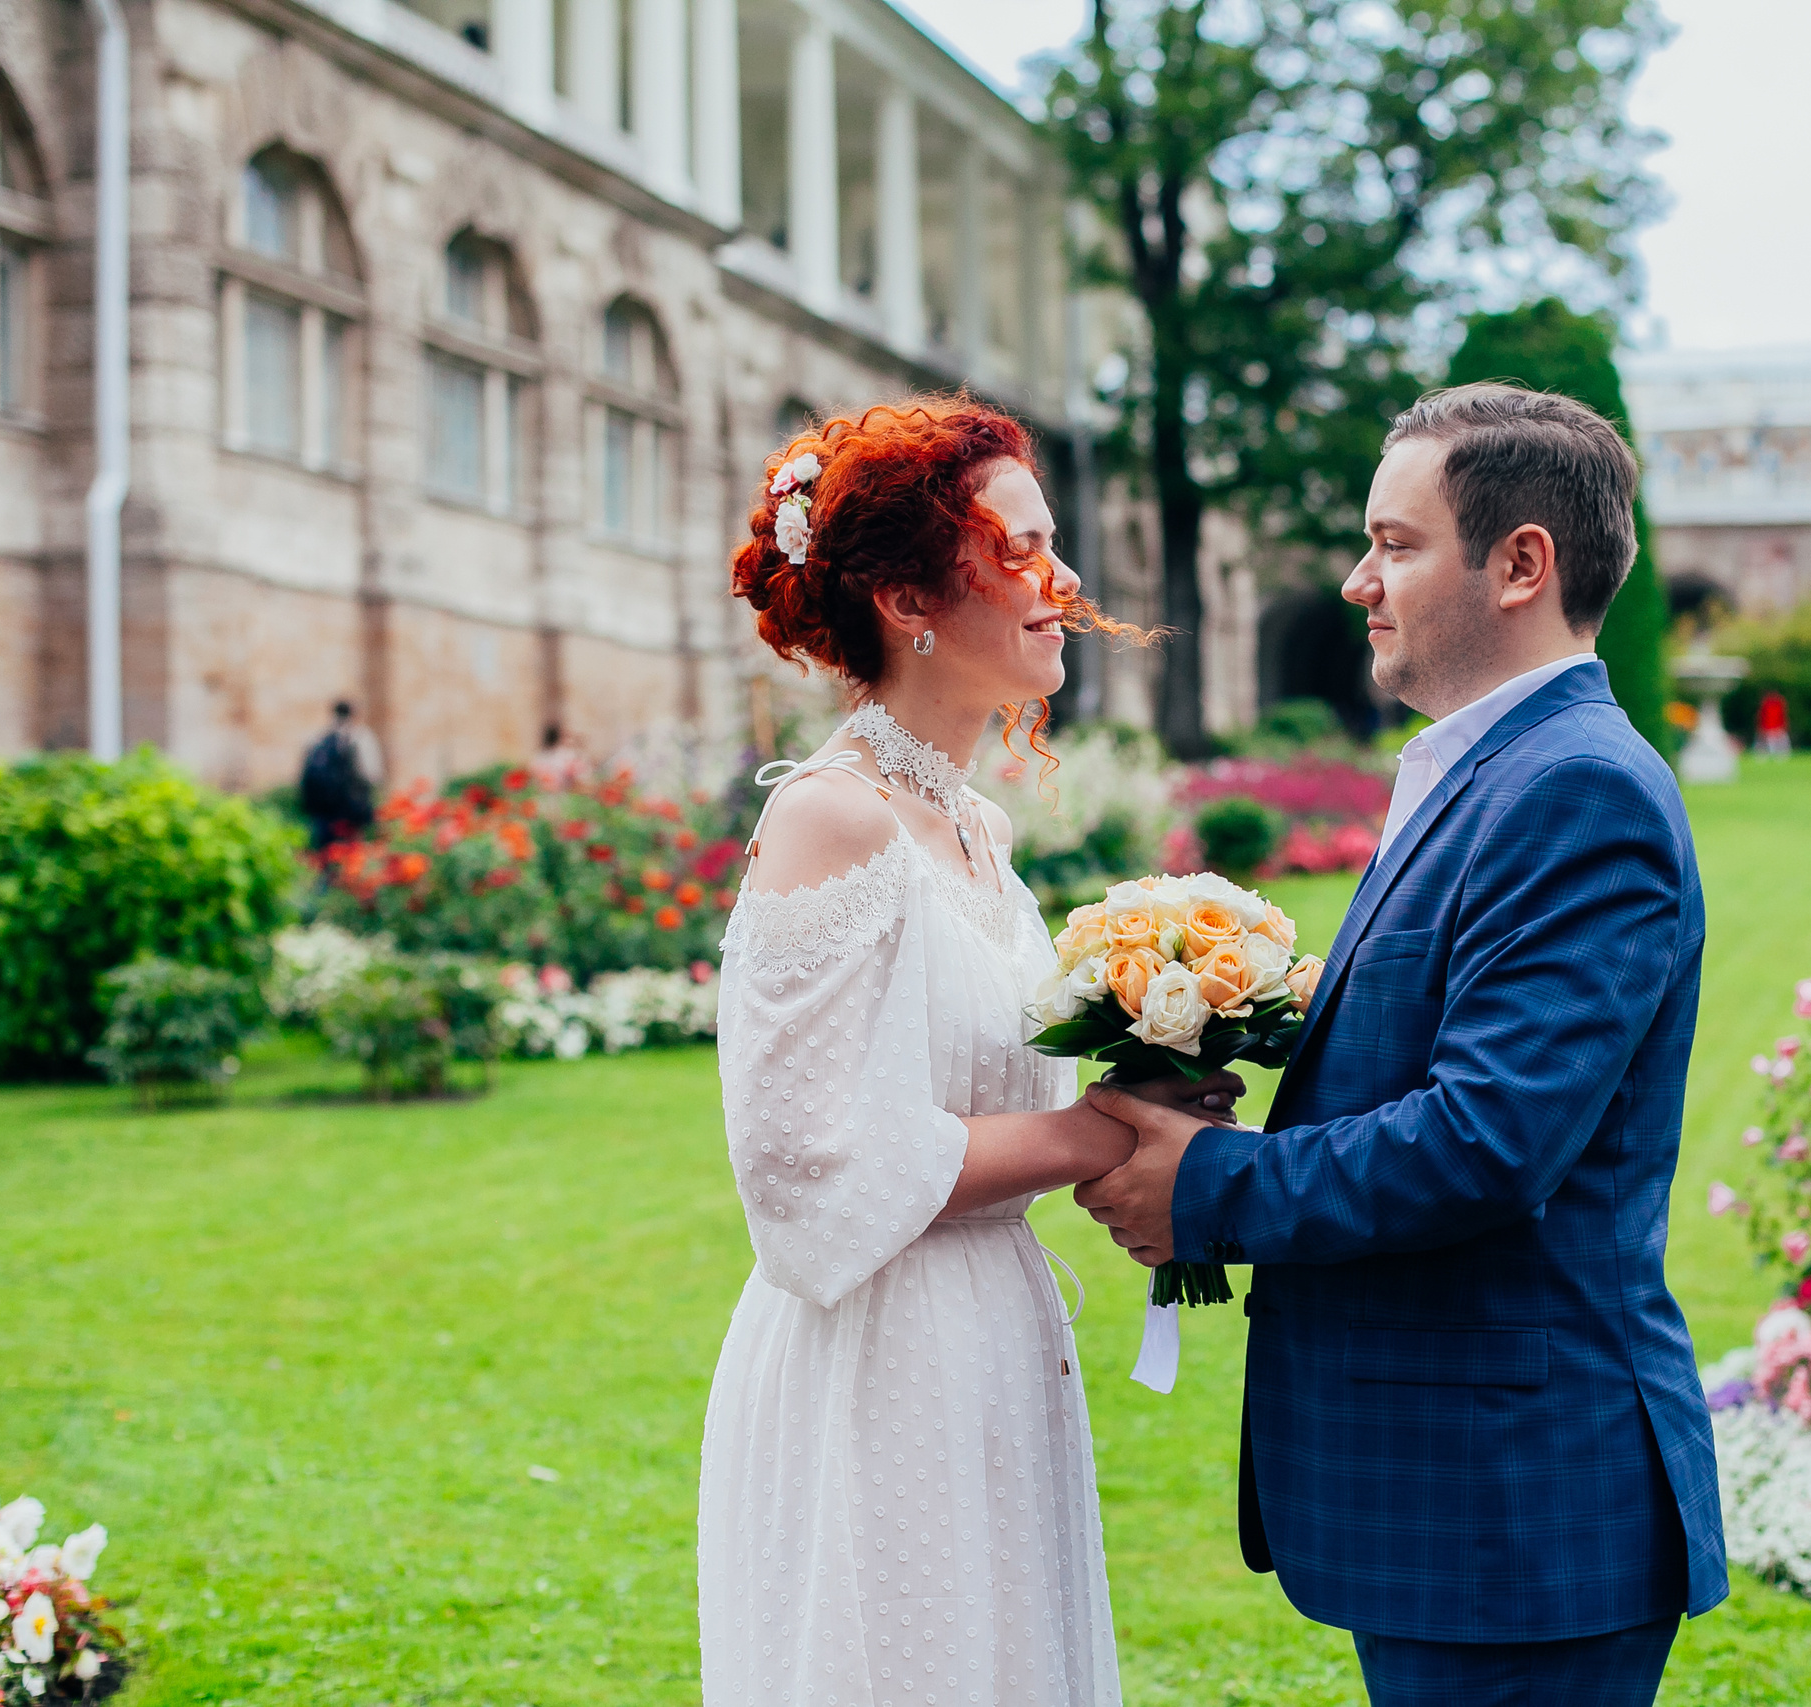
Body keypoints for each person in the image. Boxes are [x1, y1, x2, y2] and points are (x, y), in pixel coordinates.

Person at [1078, 383, 1729, 1707]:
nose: (1358, 579)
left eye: (1397, 541)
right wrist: (1221, 1021)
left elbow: (1487, 1141)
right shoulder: (1493, 764)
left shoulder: (1578, 788)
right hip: (1471, 1496)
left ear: (1520, 564)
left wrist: (1202, 1184)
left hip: (1519, 1503)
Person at [696, 398, 1236, 1707]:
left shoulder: (973, 825)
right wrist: (1114, 1128)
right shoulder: (832, 818)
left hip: (991, 1337)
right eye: (1023, 549)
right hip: (878, 1356)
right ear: (904, 595)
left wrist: (1160, 1069)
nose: (1063, 584)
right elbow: (807, 1170)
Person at [298, 700, 382, 853]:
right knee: (351, 856)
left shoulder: (317, 738)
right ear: (353, 714)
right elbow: (372, 775)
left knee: (326, 854)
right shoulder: (360, 737)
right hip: (351, 809)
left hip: (323, 810)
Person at [1757, 688, 1792, 759]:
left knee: (1781, 741)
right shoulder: (1766, 704)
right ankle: (1764, 755)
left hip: (1777, 728)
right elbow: (1762, 717)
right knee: (1767, 743)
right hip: (1769, 728)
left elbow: (1782, 716)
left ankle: (1781, 755)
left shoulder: (1779, 703)